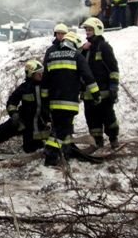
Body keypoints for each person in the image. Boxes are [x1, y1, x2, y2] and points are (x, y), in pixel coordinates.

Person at [41, 30, 100, 166]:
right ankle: (50, 157)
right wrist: (96, 94)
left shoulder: (51, 56)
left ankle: (65, 154)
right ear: (74, 44)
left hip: (54, 103)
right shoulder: (77, 56)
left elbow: (45, 81)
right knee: (61, 132)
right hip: (69, 103)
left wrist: (45, 100)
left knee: (61, 129)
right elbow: (88, 77)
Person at [0, 59, 50, 155]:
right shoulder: (24, 88)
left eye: (42, 72)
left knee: (31, 149)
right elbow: (11, 103)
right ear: (30, 74)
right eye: (38, 73)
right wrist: (14, 115)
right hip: (24, 121)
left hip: (41, 123)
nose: (41, 75)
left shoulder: (47, 86)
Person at [80, 17, 121, 148]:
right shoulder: (85, 49)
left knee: (108, 117)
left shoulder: (104, 47)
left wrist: (113, 87)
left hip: (104, 92)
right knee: (92, 119)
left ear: (97, 30)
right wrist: (82, 49)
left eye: (90, 29)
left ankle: (113, 139)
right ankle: (98, 141)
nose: (87, 32)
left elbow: (113, 69)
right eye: (86, 30)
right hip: (88, 93)